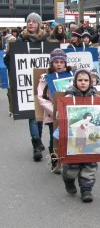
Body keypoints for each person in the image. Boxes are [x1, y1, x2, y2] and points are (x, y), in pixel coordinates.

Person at [61, 69, 99, 203]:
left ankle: (86, 190)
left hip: (90, 140)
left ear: (91, 82)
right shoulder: (67, 98)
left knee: (90, 166)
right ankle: (68, 179)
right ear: (75, 82)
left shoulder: (97, 98)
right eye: (80, 80)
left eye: (86, 80)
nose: (83, 83)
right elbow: (58, 116)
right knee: (72, 168)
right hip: (73, 139)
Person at [15, 12, 48, 161]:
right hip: (26, 80)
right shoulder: (20, 40)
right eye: (29, 21)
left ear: (39, 24)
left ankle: (39, 140)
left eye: (34, 22)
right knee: (32, 114)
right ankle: (36, 144)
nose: (31, 24)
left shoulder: (46, 39)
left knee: (40, 113)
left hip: (41, 80)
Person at [37, 48, 73, 173]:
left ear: (65, 63)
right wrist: (55, 110)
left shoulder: (73, 76)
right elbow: (42, 98)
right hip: (54, 114)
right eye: (56, 61)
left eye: (61, 62)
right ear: (51, 63)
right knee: (55, 138)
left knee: (70, 137)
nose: (59, 64)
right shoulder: (45, 78)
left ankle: (69, 160)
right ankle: (55, 161)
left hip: (71, 113)